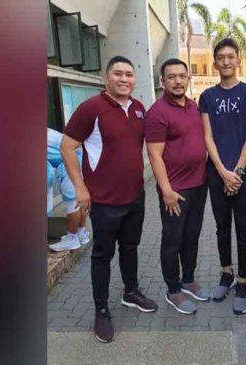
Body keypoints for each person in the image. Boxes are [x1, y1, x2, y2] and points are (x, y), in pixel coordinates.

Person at [60, 56, 158, 344]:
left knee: (131, 247)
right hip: (103, 201)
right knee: (102, 255)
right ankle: (101, 309)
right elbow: (67, 147)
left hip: (136, 196)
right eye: (118, 74)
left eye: (129, 74)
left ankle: (131, 291)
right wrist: (80, 188)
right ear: (106, 78)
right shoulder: (92, 108)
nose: (124, 79)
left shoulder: (139, 109)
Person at [199, 38, 246, 315]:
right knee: (222, 228)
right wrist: (223, 173)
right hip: (217, 175)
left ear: (238, 60)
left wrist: (237, 172)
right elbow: (207, 137)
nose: (226, 61)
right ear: (215, 63)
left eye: (230, 56)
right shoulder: (207, 97)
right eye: (221, 57)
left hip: (244, 174)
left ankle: (243, 281)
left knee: (244, 231)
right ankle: (226, 273)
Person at [145, 58, 209, 315]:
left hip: (199, 185)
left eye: (182, 76)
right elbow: (154, 155)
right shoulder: (157, 112)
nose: (178, 81)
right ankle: (173, 290)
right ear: (163, 81)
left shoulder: (194, 107)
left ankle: (188, 279)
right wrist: (167, 192)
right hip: (175, 190)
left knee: (192, 235)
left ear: (188, 78)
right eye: (171, 77)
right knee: (172, 239)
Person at [46, 128, 90, 251]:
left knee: (72, 205)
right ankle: (81, 234)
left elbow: (47, 176)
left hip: (68, 166)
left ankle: (72, 239)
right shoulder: (48, 132)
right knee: (79, 201)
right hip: (78, 161)